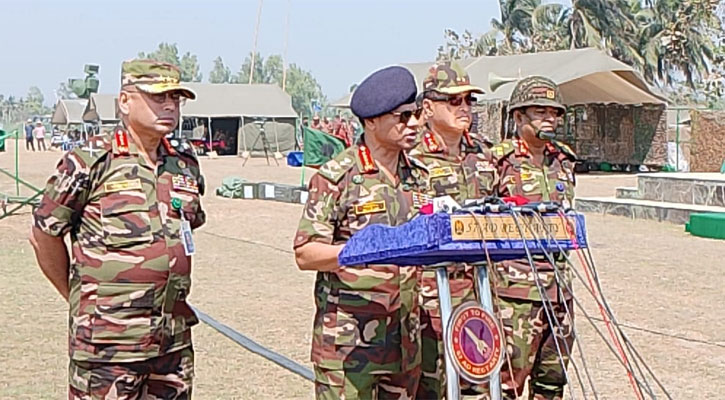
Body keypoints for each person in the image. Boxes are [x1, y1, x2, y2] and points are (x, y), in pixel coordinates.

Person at [29, 59, 204, 399]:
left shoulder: (184, 165)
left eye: (176, 98)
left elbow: (185, 231)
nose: (169, 105)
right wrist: (76, 296)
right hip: (107, 346)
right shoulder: (91, 161)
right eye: (158, 97)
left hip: (171, 343)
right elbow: (43, 234)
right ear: (125, 101)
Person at [294, 65, 426, 399]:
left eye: (417, 114)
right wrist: (355, 253)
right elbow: (305, 252)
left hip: (405, 344)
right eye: (402, 117)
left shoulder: (419, 177)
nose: (413, 124)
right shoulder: (337, 178)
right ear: (371, 121)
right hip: (350, 348)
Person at [407, 60, 497, 399]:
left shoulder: (484, 154)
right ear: (428, 107)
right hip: (430, 297)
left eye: (469, 101)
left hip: (482, 292)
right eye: (453, 101)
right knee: (431, 387)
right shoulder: (411, 157)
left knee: (479, 384)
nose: (464, 108)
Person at [488, 76, 576, 400]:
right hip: (514, 294)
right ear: (518, 117)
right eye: (540, 112)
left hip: (559, 291)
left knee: (552, 381)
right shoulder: (499, 160)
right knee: (507, 382)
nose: (549, 119)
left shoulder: (563, 161)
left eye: (554, 113)